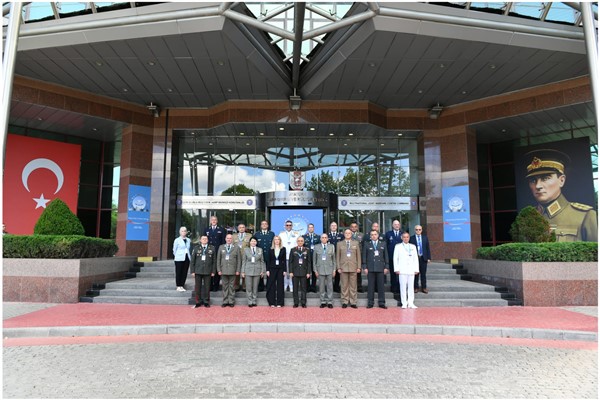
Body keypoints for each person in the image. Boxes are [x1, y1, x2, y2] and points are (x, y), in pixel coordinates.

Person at [524, 149, 597, 242]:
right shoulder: (527, 218)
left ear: (561, 180)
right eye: (533, 181)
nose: (538, 186)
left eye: (545, 178)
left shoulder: (585, 216)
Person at [362, 230, 389, 309]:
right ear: (370, 236)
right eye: (372, 235)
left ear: (378, 235)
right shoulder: (367, 244)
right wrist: (364, 267)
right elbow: (364, 256)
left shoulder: (383, 243)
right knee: (370, 286)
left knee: (381, 286)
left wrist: (386, 267)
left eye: (375, 234)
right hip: (370, 268)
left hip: (380, 268)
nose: (373, 236)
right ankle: (370, 302)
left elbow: (386, 256)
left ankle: (382, 302)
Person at [336, 229, 361, 308]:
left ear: (351, 234)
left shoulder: (356, 243)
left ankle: (353, 302)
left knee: (353, 285)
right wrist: (338, 267)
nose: (347, 234)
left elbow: (358, 256)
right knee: (344, 285)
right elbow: (337, 257)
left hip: (353, 267)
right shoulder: (339, 244)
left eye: (349, 233)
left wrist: (359, 267)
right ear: (344, 234)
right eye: (346, 233)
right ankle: (345, 301)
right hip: (343, 267)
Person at [394, 232, 420, 309]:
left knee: (411, 287)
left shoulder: (413, 246)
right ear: (402, 238)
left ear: (409, 238)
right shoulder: (398, 246)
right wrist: (396, 269)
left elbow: (416, 259)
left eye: (407, 237)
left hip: (411, 269)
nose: (406, 238)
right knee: (403, 287)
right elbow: (396, 258)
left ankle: (411, 302)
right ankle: (404, 303)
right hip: (402, 270)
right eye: (404, 237)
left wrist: (416, 269)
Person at [190, 235, 216, 308]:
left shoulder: (212, 248)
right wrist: (192, 271)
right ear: (200, 240)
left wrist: (213, 271)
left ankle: (206, 301)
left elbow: (214, 261)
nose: (204, 240)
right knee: (198, 287)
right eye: (203, 239)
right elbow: (192, 261)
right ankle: (198, 301)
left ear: (208, 240)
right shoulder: (196, 248)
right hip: (198, 270)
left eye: (206, 239)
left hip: (208, 270)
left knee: (207, 287)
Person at [216, 234, 242, 307]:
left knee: (232, 287)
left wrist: (238, 270)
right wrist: (218, 269)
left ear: (232, 239)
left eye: (230, 238)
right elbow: (218, 259)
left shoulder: (236, 248)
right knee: (224, 286)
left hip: (233, 270)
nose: (229, 239)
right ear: (225, 239)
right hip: (223, 270)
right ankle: (225, 301)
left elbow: (239, 260)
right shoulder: (221, 247)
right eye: (228, 238)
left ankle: (231, 301)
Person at [313, 233, 336, 308]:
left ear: (327, 239)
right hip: (320, 269)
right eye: (322, 237)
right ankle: (322, 301)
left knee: (330, 286)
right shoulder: (316, 247)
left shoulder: (331, 246)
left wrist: (334, 269)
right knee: (321, 286)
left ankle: (330, 301)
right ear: (320, 239)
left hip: (330, 269)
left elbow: (334, 260)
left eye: (325, 237)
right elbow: (314, 260)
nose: (324, 239)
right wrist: (315, 270)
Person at [241, 237, 265, 307]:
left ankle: (254, 300)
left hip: (257, 270)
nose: (253, 242)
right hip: (248, 270)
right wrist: (242, 271)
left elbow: (262, 261)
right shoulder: (246, 250)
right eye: (252, 241)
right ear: (250, 242)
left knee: (255, 287)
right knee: (248, 287)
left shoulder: (260, 250)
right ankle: (249, 301)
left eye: (254, 241)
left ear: (256, 242)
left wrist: (262, 271)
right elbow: (244, 261)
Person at [289, 236, 312, 308]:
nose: (300, 242)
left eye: (301, 241)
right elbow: (290, 262)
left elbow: (309, 262)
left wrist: (308, 272)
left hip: (304, 272)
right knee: (295, 288)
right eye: (299, 241)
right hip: (295, 272)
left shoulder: (307, 250)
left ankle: (303, 302)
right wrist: (290, 272)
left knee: (303, 288)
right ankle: (296, 302)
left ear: (304, 242)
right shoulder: (293, 250)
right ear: (297, 242)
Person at [205, 216, 226, 291]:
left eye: (215, 220)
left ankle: (216, 286)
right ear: (210, 221)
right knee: (209, 268)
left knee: (217, 269)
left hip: (218, 251)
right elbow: (204, 240)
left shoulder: (221, 230)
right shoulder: (207, 229)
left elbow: (223, 242)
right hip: (209, 252)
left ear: (217, 221)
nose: (213, 221)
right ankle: (209, 285)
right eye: (212, 220)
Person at [384, 219, 404, 298]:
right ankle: (393, 287)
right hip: (391, 257)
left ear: (399, 225)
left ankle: (400, 287)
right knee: (393, 273)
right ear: (392, 225)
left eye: (398, 224)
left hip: (401, 258)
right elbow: (386, 245)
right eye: (395, 224)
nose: (396, 225)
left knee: (400, 274)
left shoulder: (403, 234)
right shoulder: (388, 234)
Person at [410, 225, 431, 294]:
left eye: (419, 229)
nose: (418, 231)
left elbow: (427, 248)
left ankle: (424, 287)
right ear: (414, 230)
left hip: (423, 258)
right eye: (416, 229)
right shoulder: (411, 238)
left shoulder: (425, 238)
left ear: (421, 230)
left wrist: (428, 258)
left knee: (423, 274)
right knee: (416, 274)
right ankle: (415, 287)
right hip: (415, 258)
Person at [266, 235, 286, 307]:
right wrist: (267, 270)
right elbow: (268, 260)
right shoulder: (270, 249)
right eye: (275, 239)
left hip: (280, 269)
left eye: (278, 239)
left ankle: (280, 302)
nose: (277, 241)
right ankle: (272, 302)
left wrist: (284, 270)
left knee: (280, 285)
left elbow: (284, 260)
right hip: (272, 268)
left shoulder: (283, 249)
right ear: (273, 241)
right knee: (272, 285)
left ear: (280, 241)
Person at [279, 220, 299, 292]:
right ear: (285, 226)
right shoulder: (281, 234)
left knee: (291, 272)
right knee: (284, 272)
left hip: (293, 256)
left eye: (290, 225)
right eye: (287, 225)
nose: (288, 226)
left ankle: (291, 286)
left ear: (292, 226)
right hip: (284, 256)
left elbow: (297, 245)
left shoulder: (296, 234)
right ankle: (285, 285)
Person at [255, 220, 275, 292]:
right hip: (260, 257)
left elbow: (274, 245)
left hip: (269, 256)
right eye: (262, 224)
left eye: (265, 224)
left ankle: (269, 286)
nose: (264, 225)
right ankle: (260, 286)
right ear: (260, 225)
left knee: (269, 271)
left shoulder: (272, 234)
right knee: (260, 271)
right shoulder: (257, 234)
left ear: (267, 225)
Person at [302, 223, 320, 293]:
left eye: (312, 227)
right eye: (309, 227)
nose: (310, 228)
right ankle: (307, 287)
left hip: (315, 257)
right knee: (307, 272)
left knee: (314, 272)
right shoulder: (304, 237)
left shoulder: (318, 237)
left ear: (314, 228)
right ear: (307, 228)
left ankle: (313, 287)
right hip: (307, 257)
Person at [233, 223, 251, 292]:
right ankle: (236, 286)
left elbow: (251, 245)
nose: (241, 228)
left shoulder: (249, 236)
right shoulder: (234, 236)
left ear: (245, 228)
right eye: (240, 227)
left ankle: (244, 286)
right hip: (236, 256)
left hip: (245, 256)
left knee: (245, 271)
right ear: (238, 228)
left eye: (243, 227)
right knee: (236, 271)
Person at [172, 226, 191, 292]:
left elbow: (188, 248)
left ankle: (182, 285)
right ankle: (178, 285)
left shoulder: (188, 240)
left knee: (184, 272)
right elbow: (174, 250)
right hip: (179, 258)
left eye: (185, 231)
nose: (183, 232)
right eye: (182, 231)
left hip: (187, 257)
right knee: (179, 272)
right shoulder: (177, 240)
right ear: (180, 232)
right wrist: (177, 255)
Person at [328, 221, 344, 292]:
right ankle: (330, 287)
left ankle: (336, 287)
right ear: (330, 227)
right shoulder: (326, 236)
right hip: (329, 257)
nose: (333, 227)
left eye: (335, 226)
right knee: (329, 272)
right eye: (332, 225)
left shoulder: (341, 235)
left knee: (337, 272)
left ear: (337, 227)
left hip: (338, 256)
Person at [350, 222, 365, 293]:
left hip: (359, 256)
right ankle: (352, 287)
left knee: (358, 272)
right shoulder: (348, 234)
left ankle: (359, 286)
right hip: (350, 257)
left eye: (355, 226)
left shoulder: (361, 235)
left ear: (357, 228)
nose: (353, 228)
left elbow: (363, 246)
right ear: (350, 228)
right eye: (352, 227)